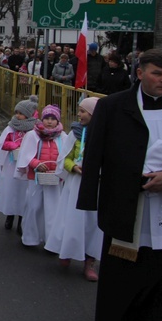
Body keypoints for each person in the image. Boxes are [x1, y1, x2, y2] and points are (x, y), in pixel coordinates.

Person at [78, 49, 162, 321]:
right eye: (157, 74)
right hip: (128, 199)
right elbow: (95, 152)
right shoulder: (113, 106)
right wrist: (89, 201)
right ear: (139, 73)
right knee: (128, 268)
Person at [45, 97, 102, 281]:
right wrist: (74, 167)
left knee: (93, 222)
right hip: (76, 183)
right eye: (79, 111)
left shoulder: (106, 133)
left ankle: (89, 261)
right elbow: (65, 158)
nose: (79, 115)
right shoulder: (76, 133)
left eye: (83, 111)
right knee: (72, 218)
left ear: (94, 113)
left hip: (96, 184)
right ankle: (67, 251)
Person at [15, 104, 66, 247]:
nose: (49, 121)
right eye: (47, 118)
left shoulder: (62, 136)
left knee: (53, 209)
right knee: (33, 206)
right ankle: (30, 237)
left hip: (54, 178)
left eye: (53, 118)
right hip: (35, 178)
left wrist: (59, 167)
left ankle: (51, 241)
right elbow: (25, 155)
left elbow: (65, 155)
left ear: (58, 120)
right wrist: (36, 163)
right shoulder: (33, 135)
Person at [0, 95, 38, 235]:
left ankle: (21, 220)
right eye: (16, 113)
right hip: (12, 164)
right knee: (12, 191)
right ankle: (10, 215)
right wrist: (11, 145)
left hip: (26, 167)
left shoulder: (34, 130)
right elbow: (1, 144)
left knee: (24, 193)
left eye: (21, 114)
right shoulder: (11, 127)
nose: (17, 116)